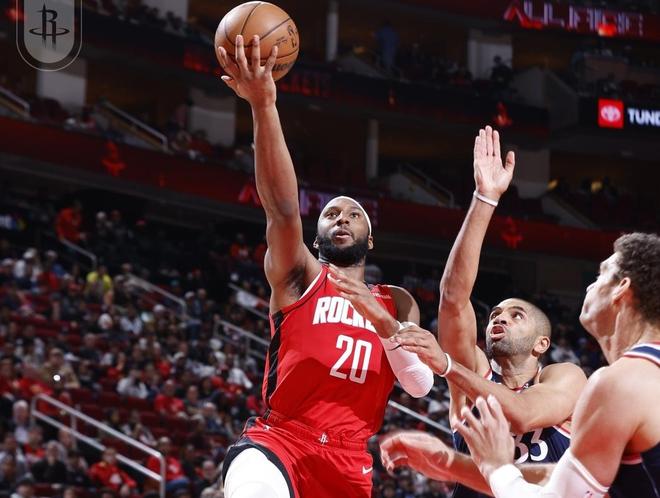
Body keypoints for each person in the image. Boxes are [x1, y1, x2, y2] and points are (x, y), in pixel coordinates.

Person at [216, 33, 433, 498]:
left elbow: (419, 384)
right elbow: (281, 210)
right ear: (316, 238)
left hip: (348, 460)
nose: (342, 218)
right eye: (331, 213)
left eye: (354, 214)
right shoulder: (301, 277)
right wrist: (264, 106)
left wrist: (384, 323)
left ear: (369, 239)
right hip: (279, 441)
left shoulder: (397, 301)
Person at [379, 126, 586, 497]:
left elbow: (521, 414)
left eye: (516, 315)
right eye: (494, 316)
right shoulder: (474, 373)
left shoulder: (564, 377)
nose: (500, 318)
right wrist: (484, 198)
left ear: (542, 344)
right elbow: (453, 299)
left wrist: (446, 366)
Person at [380, 233, 660, 497]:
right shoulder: (639, 375)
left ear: (622, 289)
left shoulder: (616, 383)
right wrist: (451, 464)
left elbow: (554, 490)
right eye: (495, 314)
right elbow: (557, 484)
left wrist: (447, 366)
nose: (589, 286)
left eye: (600, 275)